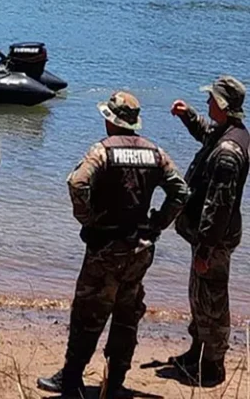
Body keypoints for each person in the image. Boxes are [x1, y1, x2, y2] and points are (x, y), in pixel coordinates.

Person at [37, 92, 189, 398]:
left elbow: (77, 183)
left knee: (87, 314)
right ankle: (115, 382)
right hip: (139, 248)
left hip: (106, 247)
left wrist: (88, 218)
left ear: (111, 120)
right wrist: (158, 222)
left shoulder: (103, 151)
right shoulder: (155, 153)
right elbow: (181, 192)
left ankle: (71, 379)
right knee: (126, 314)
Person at [168, 75, 249, 387]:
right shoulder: (228, 132)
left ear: (224, 106)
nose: (207, 103)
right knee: (199, 296)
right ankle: (196, 352)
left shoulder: (229, 150)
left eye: (211, 100)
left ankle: (213, 367)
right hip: (207, 237)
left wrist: (205, 249)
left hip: (214, 240)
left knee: (212, 301)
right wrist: (188, 116)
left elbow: (219, 206)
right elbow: (206, 132)